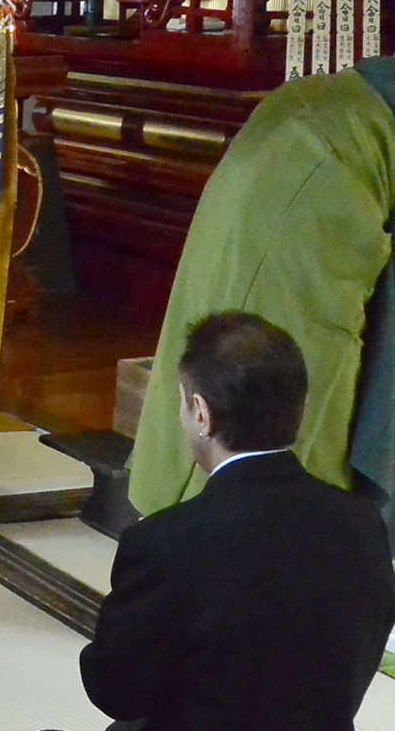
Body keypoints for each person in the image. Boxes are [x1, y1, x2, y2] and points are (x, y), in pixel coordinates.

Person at [14, 312, 395, 731]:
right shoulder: (362, 527)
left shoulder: (169, 541)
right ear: (299, 410)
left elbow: (116, 691)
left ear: (200, 413)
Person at [133, 55, 395, 527]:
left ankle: (193, 541)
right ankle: (230, 551)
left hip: (306, 131)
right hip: (323, 163)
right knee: (281, 397)